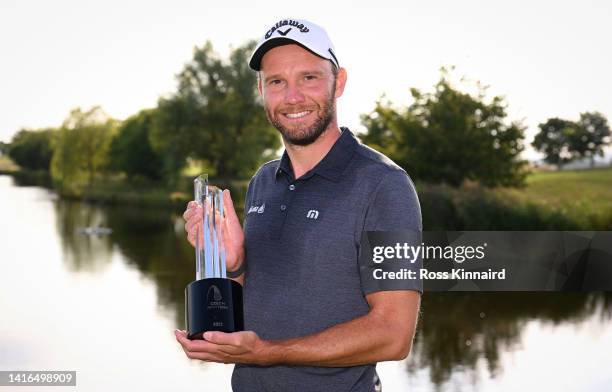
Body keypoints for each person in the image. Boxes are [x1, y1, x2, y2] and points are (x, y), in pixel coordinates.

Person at [176, 17, 422, 392]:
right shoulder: (263, 181)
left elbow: (393, 335)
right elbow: (259, 307)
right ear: (261, 89)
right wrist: (234, 264)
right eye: (277, 82)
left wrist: (269, 352)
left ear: (338, 83)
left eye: (309, 78)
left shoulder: (385, 185)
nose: (292, 97)